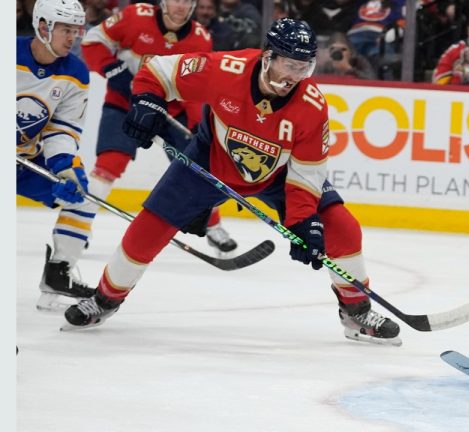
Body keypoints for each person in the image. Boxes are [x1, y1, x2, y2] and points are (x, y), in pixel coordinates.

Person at [62, 18, 402, 347]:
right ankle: (105, 299)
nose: (294, 77)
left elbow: (308, 172)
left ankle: (357, 312)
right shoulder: (226, 69)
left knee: (342, 228)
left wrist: (303, 222)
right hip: (210, 162)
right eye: (288, 65)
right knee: (146, 231)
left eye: (304, 68)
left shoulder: (312, 107)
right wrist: (148, 99)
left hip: (279, 176)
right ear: (268, 55)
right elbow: (159, 71)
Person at [80, 0, 238, 255]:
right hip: (126, 104)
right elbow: (93, 40)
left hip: (171, 111)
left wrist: (198, 123)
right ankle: (80, 223)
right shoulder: (135, 16)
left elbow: (197, 87)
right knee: (109, 164)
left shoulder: (200, 38)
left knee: (198, 169)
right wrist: (112, 69)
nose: (181, 6)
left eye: (187, 1)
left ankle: (213, 225)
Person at [17, 0, 96, 311]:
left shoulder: (75, 73)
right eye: (65, 30)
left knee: (81, 196)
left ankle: (57, 274)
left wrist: (63, 165)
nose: (72, 38)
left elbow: (61, 129)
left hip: (26, 160)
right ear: (42, 27)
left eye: (75, 31)